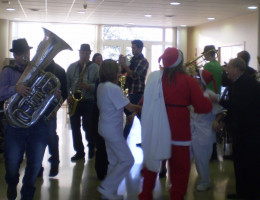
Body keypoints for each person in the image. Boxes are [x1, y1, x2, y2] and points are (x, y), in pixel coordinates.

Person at [139, 47, 213, 200]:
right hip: (179, 130)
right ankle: (177, 196)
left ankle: (145, 194)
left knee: (152, 164)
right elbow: (202, 107)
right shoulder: (188, 81)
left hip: (157, 129)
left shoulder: (154, 78)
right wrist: (209, 100)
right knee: (180, 169)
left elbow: (144, 103)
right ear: (180, 62)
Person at [0, 38, 49, 200]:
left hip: (37, 124)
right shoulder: (8, 71)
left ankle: (27, 193)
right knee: (13, 162)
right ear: (15, 55)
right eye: (19, 54)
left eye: (25, 53)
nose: (23, 56)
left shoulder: (38, 71)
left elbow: (44, 94)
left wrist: (52, 94)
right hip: (14, 125)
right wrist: (15, 89)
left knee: (35, 164)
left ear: (29, 52)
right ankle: (12, 182)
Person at [97, 59, 141, 200]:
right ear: (112, 72)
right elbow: (130, 107)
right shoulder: (113, 88)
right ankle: (107, 187)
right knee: (128, 160)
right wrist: (146, 108)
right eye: (117, 71)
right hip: (112, 130)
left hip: (105, 127)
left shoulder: (101, 86)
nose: (119, 74)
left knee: (114, 161)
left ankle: (110, 194)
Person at [220, 58, 260, 200]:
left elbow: (239, 106)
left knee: (249, 164)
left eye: (229, 67)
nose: (226, 70)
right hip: (241, 130)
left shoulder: (248, 84)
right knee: (239, 163)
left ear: (237, 69)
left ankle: (250, 194)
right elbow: (233, 108)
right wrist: (225, 121)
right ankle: (241, 193)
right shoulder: (236, 82)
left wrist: (219, 100)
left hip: (250, 132)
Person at [190, 69, 222, 192]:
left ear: (202, 82)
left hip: (205, 132)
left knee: (201, 159)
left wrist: (216, 121)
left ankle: (206, 181)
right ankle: (202, 178)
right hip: (192, 130)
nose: (194, 79)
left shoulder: (210, 95)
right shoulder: (192, 93)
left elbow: (219, 113)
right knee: (192, 158)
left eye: (197, 78)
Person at [67, 44, 99, 161]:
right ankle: (79, 151)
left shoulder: (95, 67)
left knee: (88, 126)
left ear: (90, 54)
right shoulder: (72, 67)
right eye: (83, 53)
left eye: (87, 53)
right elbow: (67, 83)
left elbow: (99, 85)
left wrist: (89, 86)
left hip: (88, 101)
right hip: (74, 101)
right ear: (79, 53)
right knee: (75, 127)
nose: (85, 55)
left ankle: (91, 146)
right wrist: (68, 96)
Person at [38, 60, 68, 177]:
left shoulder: (60, 71)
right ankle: (37, 166)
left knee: (51, 135)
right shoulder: (36, 68)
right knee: (36, 137)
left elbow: (64, 92)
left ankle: (55, 162)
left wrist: (56, 105)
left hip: (50, 109)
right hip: (35, 109)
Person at [119, 39, 149, 139]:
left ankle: (124, 138)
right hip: (131, 91)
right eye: (132, 47)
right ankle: (145, 140)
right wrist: (121, 63)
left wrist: (124, 65)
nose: (132, 49)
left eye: (134, 48)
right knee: (135, 116)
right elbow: (122, 71)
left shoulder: (143, 61)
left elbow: (135, 75)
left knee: (133, 116)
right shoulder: (132, 60)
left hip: (138, 92)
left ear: (140, 49)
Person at [202, 45, 222, 161]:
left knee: (208, 126)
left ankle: (210, 154)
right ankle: (214, 154)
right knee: (213, 125)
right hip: (217, 96)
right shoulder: (218, 65)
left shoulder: (208, 65)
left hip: (208, 96)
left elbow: (203, 80)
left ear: (208, 54)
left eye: (204, 54)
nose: (203, 56)